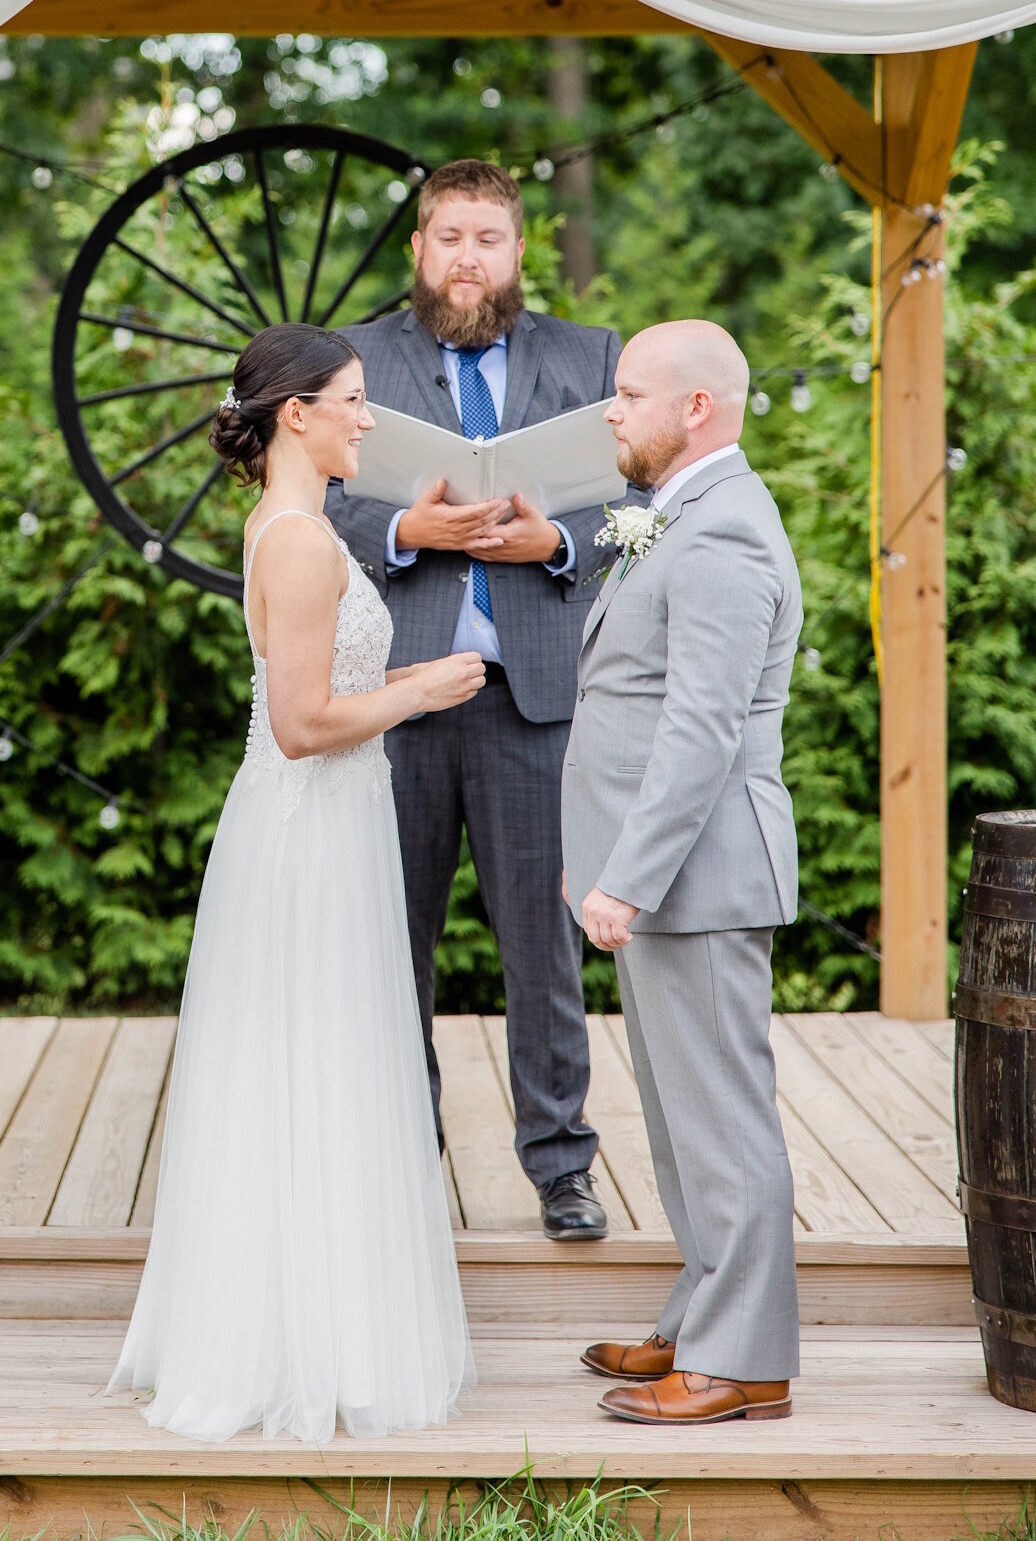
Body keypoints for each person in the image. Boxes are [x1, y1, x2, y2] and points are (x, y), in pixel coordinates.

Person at [109, 321, 482, 1444]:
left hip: (319, 827)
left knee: (314, 1065)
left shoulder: (284, 526)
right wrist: (421, 698)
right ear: (297, 415)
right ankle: (301, 1347)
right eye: (356, 400)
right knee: (314, 1065)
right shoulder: (304, 542)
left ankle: (306, 1326)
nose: (370, 418)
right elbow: (306, 721)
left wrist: (414, 670)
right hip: (314, 830)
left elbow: (331, 675)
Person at [327, 158, 620, 1239]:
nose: (466, 258)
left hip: (532, 699)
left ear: (518, 252)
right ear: (418, 249)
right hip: (395, 700)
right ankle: (404, 1157)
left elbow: (641, 504)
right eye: (447, 236)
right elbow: (309, 500)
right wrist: (410, 530)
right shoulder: (356, 358)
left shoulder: (590, 358)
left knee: (542, 951)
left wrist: (557, 543)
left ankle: (561, 1168)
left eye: (486, 238)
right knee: (387, 939)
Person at [563, 319, 802, 1424]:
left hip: (695, 873)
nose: (609, 410)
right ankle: (703, 1314)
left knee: (722, 1116)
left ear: (694, 407)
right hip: (669, 876)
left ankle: (744, 1359)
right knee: (677, 1114)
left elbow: (701, 729)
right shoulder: (681, 515)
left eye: (626, 392)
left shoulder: (724, 535)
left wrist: (629, 876)